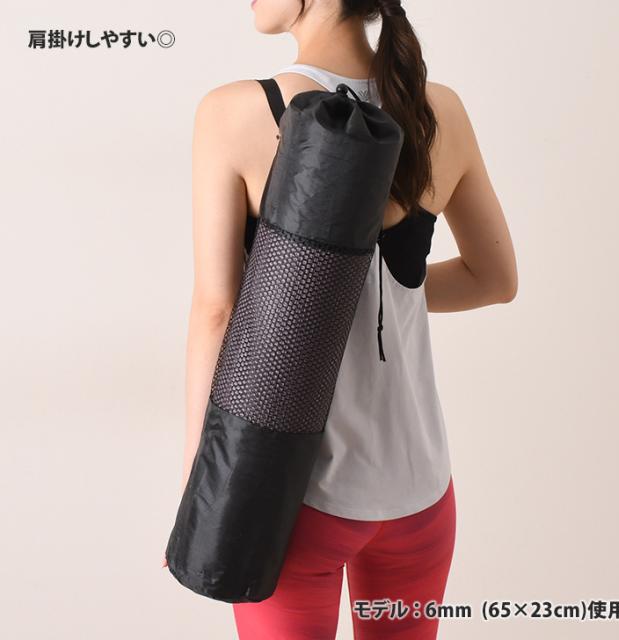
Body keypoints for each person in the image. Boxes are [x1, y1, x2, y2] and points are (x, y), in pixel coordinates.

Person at [163, 0, 518, 637]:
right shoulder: (439, 109)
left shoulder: (235, 112)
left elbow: (217, 310)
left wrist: (204, 483)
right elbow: (493, 280)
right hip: (421, 492)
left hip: (287, 495)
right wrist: (388, 291)